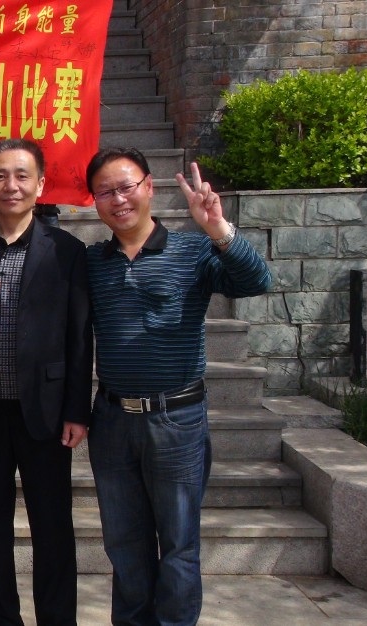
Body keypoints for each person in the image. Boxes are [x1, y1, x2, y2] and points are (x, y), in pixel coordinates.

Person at [85, 148, 272, 625]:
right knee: (124, 543)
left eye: (126, 187)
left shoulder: (192, 251)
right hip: (111, 420)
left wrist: (219, 230)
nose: (118, 199)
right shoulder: (93, 261)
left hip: (177, 420)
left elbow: (256, 281)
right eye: (105, 192)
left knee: (179, 546)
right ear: (94, 201)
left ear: (149, 187)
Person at [0, 139, 93, 625]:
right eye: (0, 176)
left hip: (47, 411)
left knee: (51, 524)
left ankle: (56, 617)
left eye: (21, 175)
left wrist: (77, 409)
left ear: (40, 184)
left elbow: (79, 336)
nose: (10, 185)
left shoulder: (67, 251)